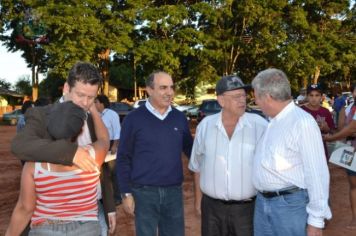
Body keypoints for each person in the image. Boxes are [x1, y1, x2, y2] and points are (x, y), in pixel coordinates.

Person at [11, 62, 116, 234]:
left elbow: (103, 165)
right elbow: (19, 145)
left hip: (93, 211)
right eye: (80, 95)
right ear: (66, 88)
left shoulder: (93, 118)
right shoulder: (42, 114)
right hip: (47, 213)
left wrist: (110, 207)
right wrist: (71, 153)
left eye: (91, 98)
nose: (85, 103)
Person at [6, 101, 109, 236]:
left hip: (45, 229)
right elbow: (104, 138)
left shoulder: (33, 166)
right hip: (87, 228)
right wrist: (94, 111)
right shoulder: (93, 156)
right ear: (80, 130)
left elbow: (25, 208)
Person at [251, 68, 331, 236]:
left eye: (256, 96)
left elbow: (317, 173)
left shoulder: (301, 123)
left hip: (289, 207)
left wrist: (316, 220)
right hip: (263, 203)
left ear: (268, 97)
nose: (255, 102)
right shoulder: (273, 120)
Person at [189, 75, 268, 236]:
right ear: (221, 100)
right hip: (212, 209)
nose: (242, 100)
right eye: (236, 97)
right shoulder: (206, 126)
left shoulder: (260, 125)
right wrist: (198, 201)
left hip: (247, 210)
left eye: (244, 96)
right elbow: (197, 166)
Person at [116, 71, 193, 236]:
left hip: (173, 193)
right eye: (163, 88)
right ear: (149, 90)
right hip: (143, 193)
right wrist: (126, 193)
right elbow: (123, 158)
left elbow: (191, 151)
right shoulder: (133, 119)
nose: (169, 92)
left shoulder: (179, 118)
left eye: (171, 87)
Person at [324, 83, 356, 229]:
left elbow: (349, 129)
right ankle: (355, 219)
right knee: (353, 186)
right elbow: (342, 128)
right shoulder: (346, 109)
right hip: (348, 150)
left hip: (348, 147)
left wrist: (329, 138)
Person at [94, 94, 120, 234]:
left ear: (102, 102)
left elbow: (117, 131)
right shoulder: (95, 115)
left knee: (111, 173)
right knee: (102, 175)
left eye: (96, 101)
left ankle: (116, 198)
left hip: (110, 147)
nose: (94, 103)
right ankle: (105, 200)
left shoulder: (112, 114)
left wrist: (115, 146)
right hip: (99, 148)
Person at [301, 84, 335, 159]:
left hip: (321, 150)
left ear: (321, 97)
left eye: (317, 95)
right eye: (311, 95)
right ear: (307, 96)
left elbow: (332, 133)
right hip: (303, 150)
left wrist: (327, 129)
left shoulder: (326, 112)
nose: (314, 98)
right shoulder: (300, 111)